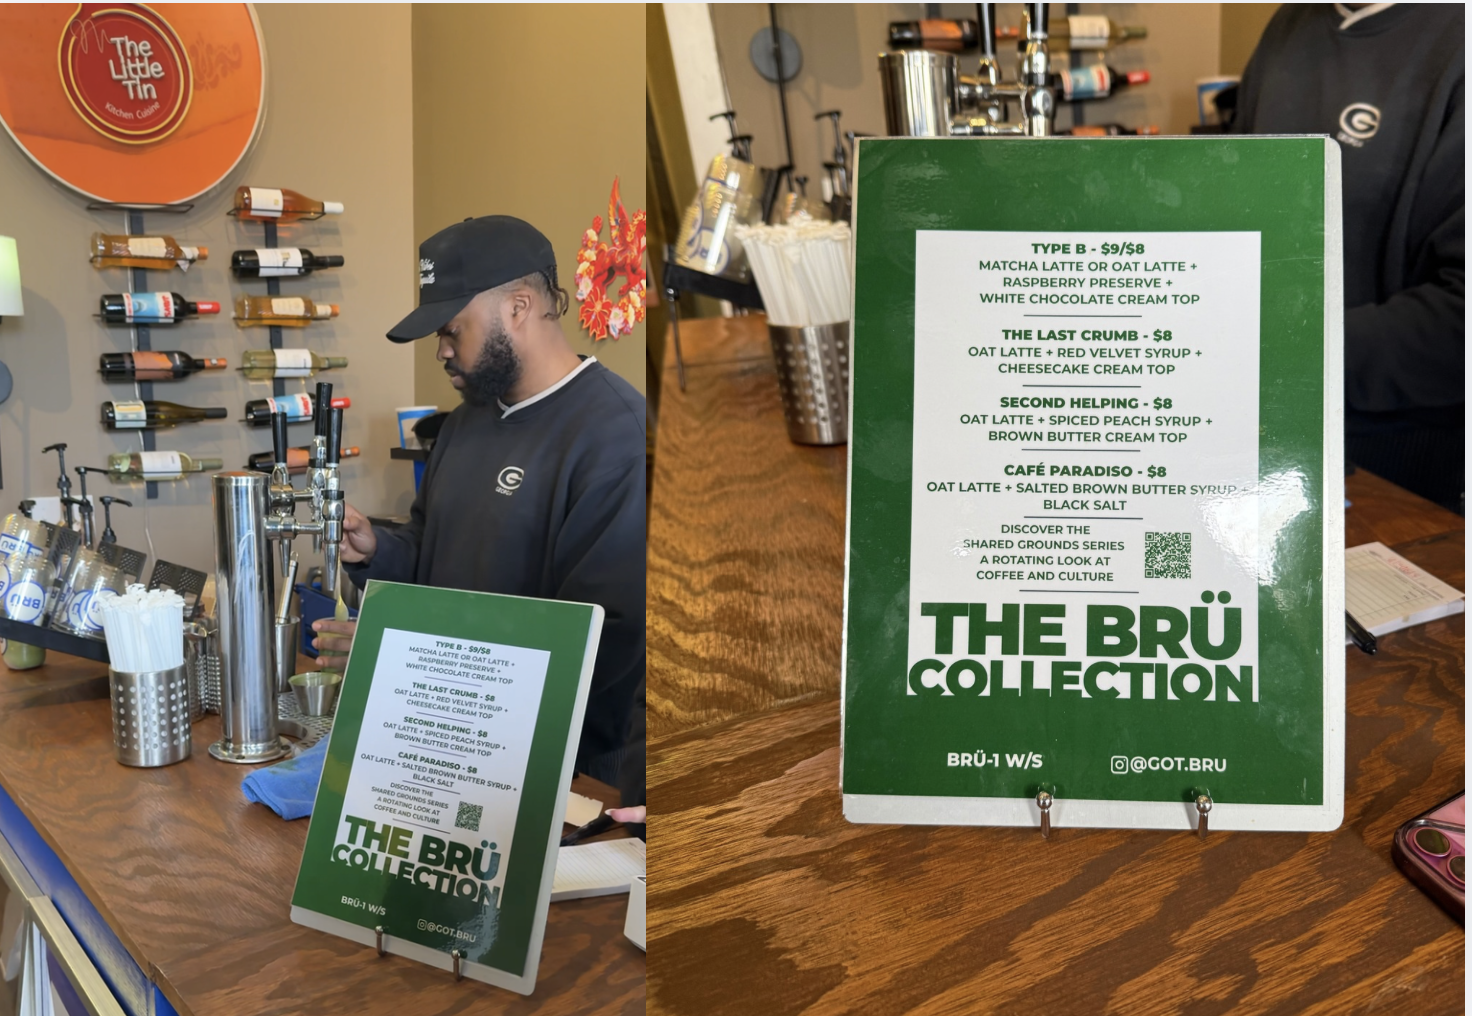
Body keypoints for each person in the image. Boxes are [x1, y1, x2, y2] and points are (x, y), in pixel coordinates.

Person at [312, 215, 646, 786]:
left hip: (569, 769)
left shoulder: (616, 435)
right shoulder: (464, 426)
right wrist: (377, 553)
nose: (441, 350)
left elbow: (596, 641)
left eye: (451, 330)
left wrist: (408, 665)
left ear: (518, 306)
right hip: (453, 746)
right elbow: (432, 552)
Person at [1232, 3, 1464, 513]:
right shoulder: (1290, 26)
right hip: (1263, 433)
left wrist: (1289, 351)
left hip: (1403, 468)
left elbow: (1459, 322)